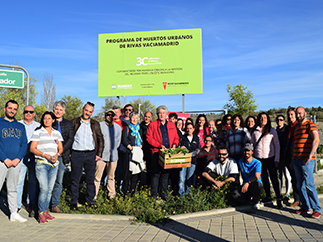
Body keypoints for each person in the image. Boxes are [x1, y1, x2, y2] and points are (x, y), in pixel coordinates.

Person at [30, 111, 63, 224]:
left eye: (49, 118)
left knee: (49, 190)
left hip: (54, 165)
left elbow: (60, 149)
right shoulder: (38, 132)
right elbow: (32, 148)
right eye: (45, 118)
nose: (47, 120)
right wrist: (45, 155)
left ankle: (45, 211)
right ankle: (40, 213)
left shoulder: (56, 133)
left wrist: (57, 155)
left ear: (53, 120)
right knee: (43, 189)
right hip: (42, 163)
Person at [70, 102, 104, 211]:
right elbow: (69, 138)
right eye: (86, 110)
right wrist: (70, 152)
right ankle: (73, 202)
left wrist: (99, 154)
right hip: (77, 154)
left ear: (92, 112)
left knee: (90, 179)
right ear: (83, 109)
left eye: (90, 111)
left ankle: (90, 201)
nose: (87, 113)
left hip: (90, 154)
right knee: (75, 179)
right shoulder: (74, 122)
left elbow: (100, 139)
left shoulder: (95, 124)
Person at [0, 100, 28, 222]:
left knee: (13, 188)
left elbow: (24, 144)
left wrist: (17, 159)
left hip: (16, 162)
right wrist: (4, 158)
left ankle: (13, 213)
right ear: (5, 109)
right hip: (2, 161)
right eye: (10, 108)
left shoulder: (20, 126)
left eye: (15, 109)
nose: (12, 111)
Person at [293, 106, 321, 218]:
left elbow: (316, 139)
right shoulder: (296, 127)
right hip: (296, 159)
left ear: (305, 113)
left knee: (309, 184)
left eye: (300, 113)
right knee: (300, 184)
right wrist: (292, 160)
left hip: (306, 160)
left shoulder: (311, 125)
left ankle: (316, 209)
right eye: (297, 114)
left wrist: (310, 155)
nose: (298, 115)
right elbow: (295, 145)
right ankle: (305, 206)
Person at [146, 105, 179, 200]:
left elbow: (176, 137)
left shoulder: (172, 125)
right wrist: (159, 145)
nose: (161, 115)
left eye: (163, 113)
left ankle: (163, 194)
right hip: (156, 152)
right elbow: (149, 138)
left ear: (166, 114)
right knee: (155, 174)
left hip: (168, 153)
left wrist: (174, 145)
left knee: (165, 174)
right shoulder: (152, 125)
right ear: (157, 114)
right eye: (160, 113)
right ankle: (154, 195)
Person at [251, 112, 283, 208]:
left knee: (274, 179)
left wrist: (277, 158)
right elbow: (252, 145)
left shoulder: (272, 130)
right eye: (261, 118)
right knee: (264, 178)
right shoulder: (255, 131)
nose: (263, 119)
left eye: (265, 118)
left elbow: (277, 145)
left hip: (270, 157)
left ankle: (278, 198)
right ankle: (268, 197)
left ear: (268, 119)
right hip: (259, 158)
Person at [51, 101, 74, 213]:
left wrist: (60, 151)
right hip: (48, 155)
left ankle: (55, 204)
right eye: (56, 109)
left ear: (64, 111)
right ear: (53, 110)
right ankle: (42, 204)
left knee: (58, 181)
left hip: (61, 155)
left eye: (60, 110)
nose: (58, 111)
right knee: (46, 181)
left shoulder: (68, 124)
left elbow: (70, 139)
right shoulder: (49, 121)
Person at [17, 105, 40, 217]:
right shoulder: (18, 124)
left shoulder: (38, 126)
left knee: (32, 181)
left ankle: (30, 204)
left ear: (34, 114)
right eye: (26, 111)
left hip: (34, 157)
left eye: (31, 112)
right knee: (19, 181)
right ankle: (16, 205)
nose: (28, 113)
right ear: (23, 113)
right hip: (21, 156)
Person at [94, 109, 121, 200]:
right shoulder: (100, 125)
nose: (110, 116)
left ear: (114, 116)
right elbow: (96, 140)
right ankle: (93, 195)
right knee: (97, 177)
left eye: (111, 115)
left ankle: (111, 195)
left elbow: (118, 141)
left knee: (111, 177)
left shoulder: (117, 128)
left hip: (113, 156)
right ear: (105, 115)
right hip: (101, 156)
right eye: (108, 114)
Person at [232, 143, 263, 209]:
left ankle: (256, 201)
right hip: (245, 186)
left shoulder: (257, 163)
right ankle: (248, 200)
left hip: (255, 184)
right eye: (245, 150)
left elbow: (257, 177)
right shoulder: (240, 161)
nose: (246, 152)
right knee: (235, 194)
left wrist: (248, 182)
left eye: (248, 151)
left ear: (252, 152)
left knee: (256, 185)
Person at [121, 112, 144, 196]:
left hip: (137, 153)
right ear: (130, 119)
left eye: (136, 118)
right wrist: (129, 147)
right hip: (129, 153)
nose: (135, 120)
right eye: (133, 118)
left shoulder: (139, 129)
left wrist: (141, 145)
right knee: (127, 174)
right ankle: (125, 192)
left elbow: (141, 140)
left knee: (135, 174)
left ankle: (133, 192)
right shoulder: (126, 128)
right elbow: (124, 140)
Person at [285, 107, 300, 207]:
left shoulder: (298, 126)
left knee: (298, 179)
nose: (290, 117)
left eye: (292, 115)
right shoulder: (288, 127)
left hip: (296, 156)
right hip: (288, 156)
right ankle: (297, 199)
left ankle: (300, 199)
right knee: (293, 179)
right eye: (289, 115)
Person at [179, 123, 200, 196]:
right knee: (181, 179)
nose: (189, 130)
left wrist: (190, 155)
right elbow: (179, 147)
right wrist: (181, 148)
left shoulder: (196, 138)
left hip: (192, 161)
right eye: (187, 128)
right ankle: (181, 194)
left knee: (190, 178)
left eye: (191, 128)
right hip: (183, 161)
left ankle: (189, 194)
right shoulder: (182, 137)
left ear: (193, 129)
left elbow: (198, 149)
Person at [275, 114, 292, 203]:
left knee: (287, 175)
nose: (279, 121)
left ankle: (287, 193)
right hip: (279, 156)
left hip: (287, 156)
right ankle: (279, 194)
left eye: (281, 120)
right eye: (277, 120)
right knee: (279, 176)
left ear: (284, 121)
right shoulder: (275, 131)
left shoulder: (287, 130)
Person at [113, 105, 129, 190]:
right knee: (112, 171)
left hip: (122, 150)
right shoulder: (109, 122)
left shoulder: (124, 124)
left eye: (117, 112)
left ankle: (121, 188)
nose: (116, 114)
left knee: (122, 169)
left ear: (120, 113)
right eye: (114, 112)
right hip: (112, 150)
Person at [140, 111, 152, 186]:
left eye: (148, 117)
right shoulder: (140, 125)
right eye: (145, 116)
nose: (146, 118)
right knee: (140, 167)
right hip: (141, 149)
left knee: (149, 168)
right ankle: (140, 183)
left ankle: (148, 184)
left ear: (151, 118)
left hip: (149, 149)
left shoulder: (152, 126)